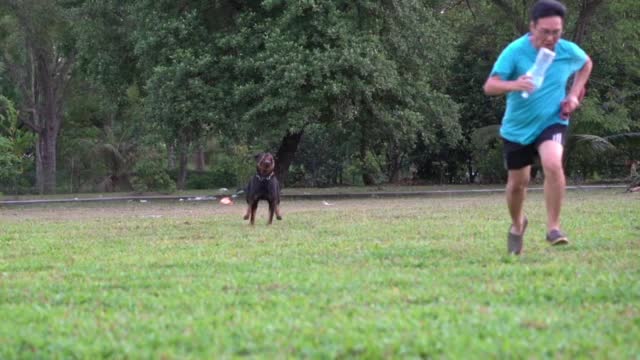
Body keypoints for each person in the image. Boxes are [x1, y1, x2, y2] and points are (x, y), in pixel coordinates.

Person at [483, 0, 593, 255]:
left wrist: (574, 95)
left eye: (556, 32)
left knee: (553, 163)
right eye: (545, 31)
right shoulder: (515, 51)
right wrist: (514, 85)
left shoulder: (567, 50)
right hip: (518, 127)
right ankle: (517, 224)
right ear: (533, 27)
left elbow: (586, 64)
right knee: (517, 184)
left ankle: (554, 227)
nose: (551, 38)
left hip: (552, 119)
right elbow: (490, 86)